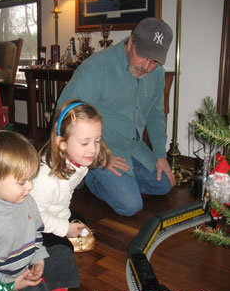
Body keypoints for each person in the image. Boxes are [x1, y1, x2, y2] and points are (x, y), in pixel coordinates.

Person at [56, 17, 176, 217]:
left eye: (154, 61)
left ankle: (121, 181)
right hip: (101, 148)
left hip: (133, 145)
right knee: (130, 206)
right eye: (143, 56)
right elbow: (65, 113)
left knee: (164, 185)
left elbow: (156, 115)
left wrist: (160, 155)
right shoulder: (96, 68)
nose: (147, 66)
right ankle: (91, 175)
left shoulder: (157, 74)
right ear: (130, 42)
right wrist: (98, 156)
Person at [0, 130, 79, 291]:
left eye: (31, 179)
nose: (30, 187)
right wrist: (11, 283)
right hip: (4, 281)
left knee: (62, 253)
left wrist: (39, 260)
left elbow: (36, 234)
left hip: (29, 265)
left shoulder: (27, 201)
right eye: (22, 182)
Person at [30, 100, 110, 249]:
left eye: (97, 141)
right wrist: (65, 228)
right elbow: (32, 216)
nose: (93, 149)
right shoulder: (45, 178)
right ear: (62, 143)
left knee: (79, 219)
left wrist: (64, 219)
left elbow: (65, 195)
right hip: (30, 222)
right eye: (85, 143)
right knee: (63, 249)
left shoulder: (78, 161)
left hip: (52, 211)